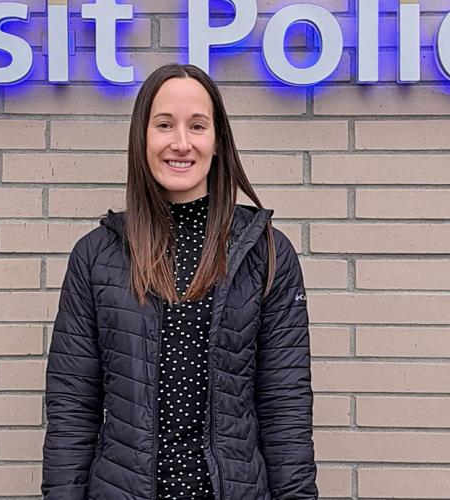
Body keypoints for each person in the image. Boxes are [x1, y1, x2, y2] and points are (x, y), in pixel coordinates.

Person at [41, 63, 318, 500]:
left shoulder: (266, 252)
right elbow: (73, 407)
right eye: (164, 125)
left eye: (197, 126)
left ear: (218, 142)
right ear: (142, 138)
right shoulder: (96, 256)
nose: (181, 143)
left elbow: (285, 407)